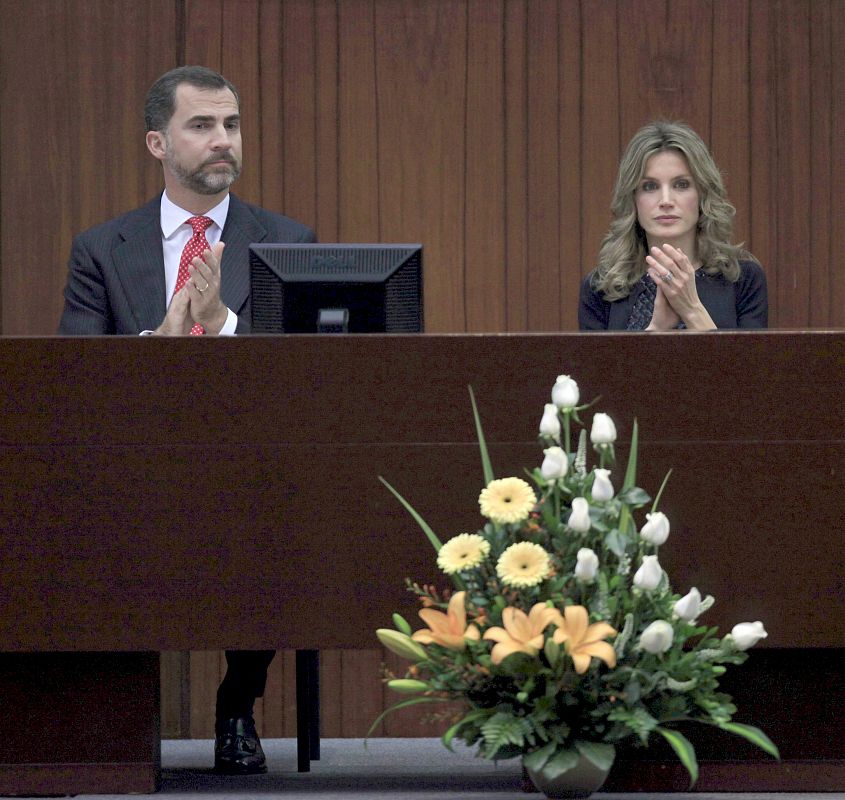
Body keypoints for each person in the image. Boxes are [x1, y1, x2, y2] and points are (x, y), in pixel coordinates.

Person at [58, 65, 315, 773]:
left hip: (248, 465)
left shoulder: (285, 240)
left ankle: (237, 705)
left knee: (272, 506)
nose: (222, 140)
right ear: (156, 143)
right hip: (130, 467)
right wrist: (156, 351)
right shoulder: (100, 249)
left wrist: (223, 323)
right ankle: (108, 723)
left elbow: (306, 378)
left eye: (230, 124)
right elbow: (72, 374)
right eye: (201, 126)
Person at [578, 120, 767, 331]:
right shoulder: (601, 288)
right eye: (650, 186)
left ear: (703, 194)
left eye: (681, 184)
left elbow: (748, 364)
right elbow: (602, 366)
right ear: (633, 199)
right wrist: (656, 330)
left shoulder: (743, 278)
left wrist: (692, 310)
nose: (666, 200)